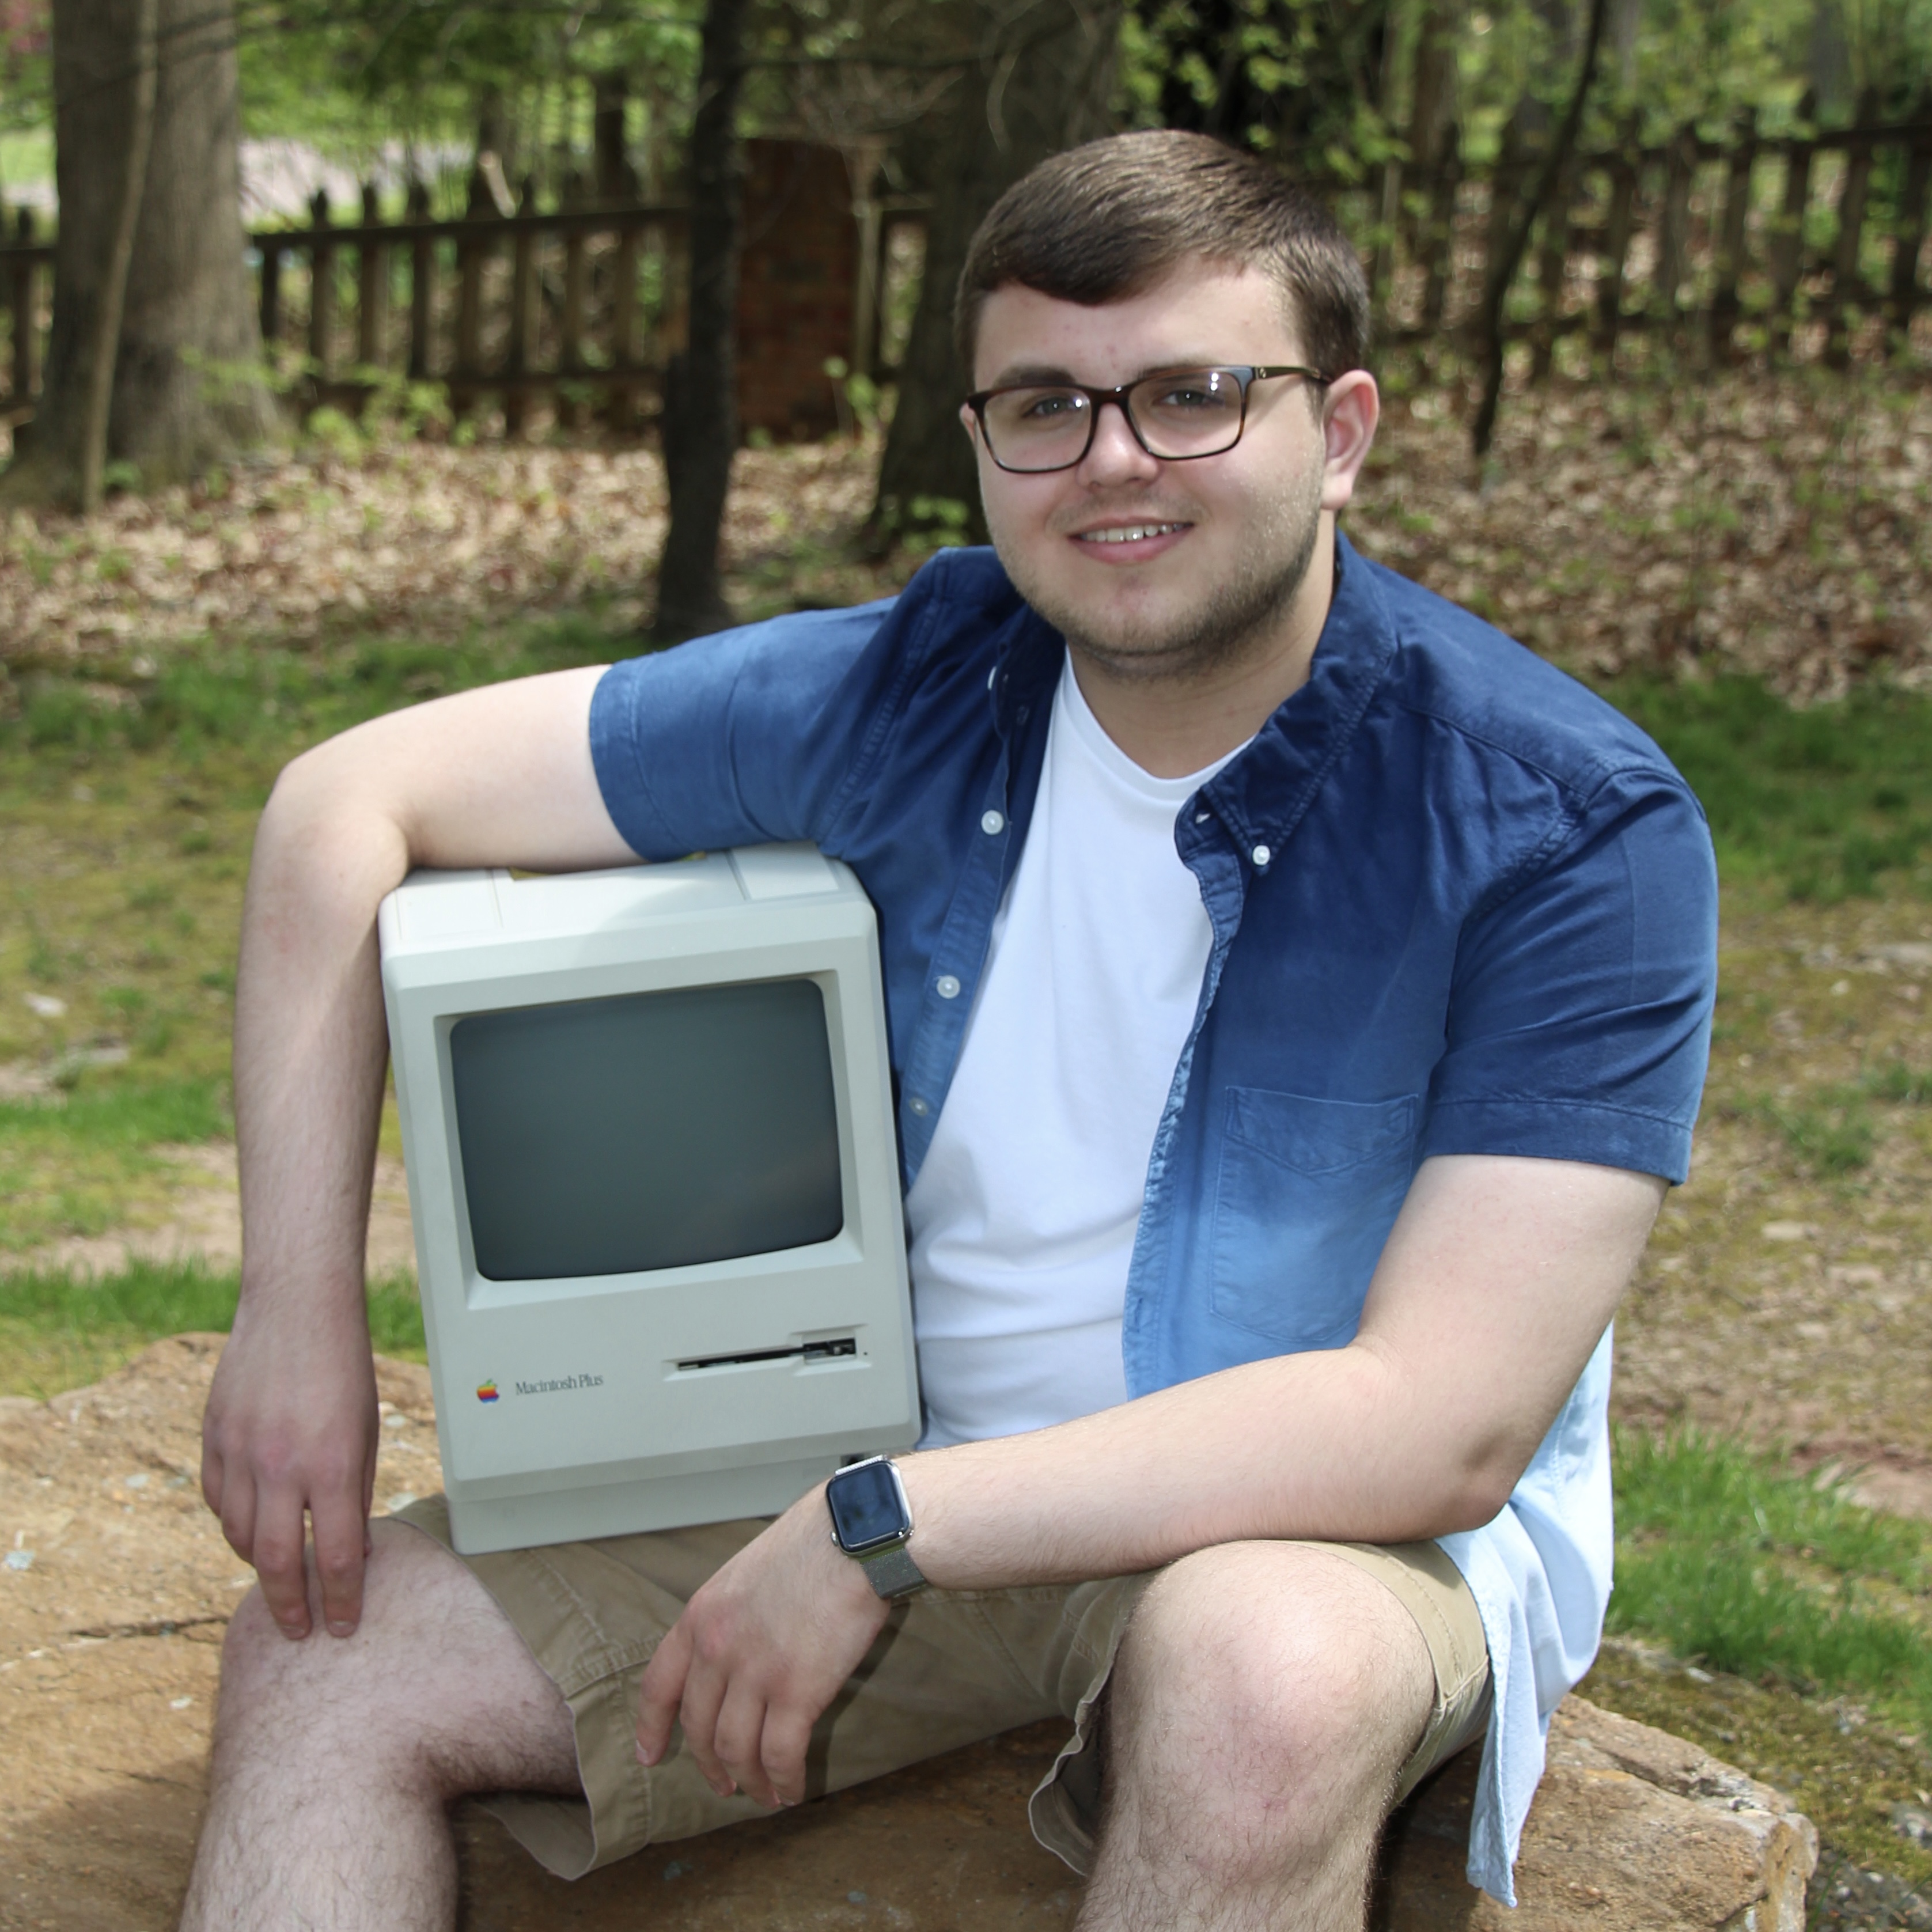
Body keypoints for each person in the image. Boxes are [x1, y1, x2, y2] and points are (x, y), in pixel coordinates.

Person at [181, 129, 1717, 1932]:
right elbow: (342, 801)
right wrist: (293, 1313)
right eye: (1042, 406)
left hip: (1298, 1535)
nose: (1114, 461)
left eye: (1194, 396)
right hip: (886, 1450)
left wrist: (879, 1525)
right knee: (323, 1651)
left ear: (1345, 430)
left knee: (1260, 1677)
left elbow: (1435, 1423)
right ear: (980, 439)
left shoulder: (1561, 823)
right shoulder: (913, 686)